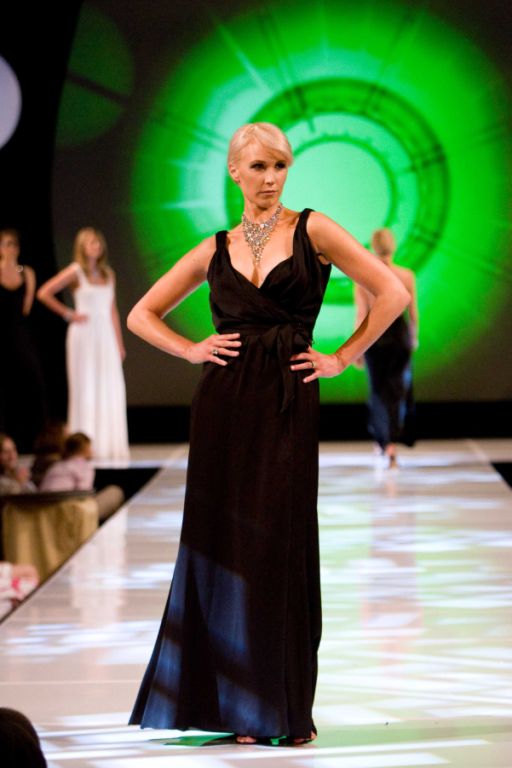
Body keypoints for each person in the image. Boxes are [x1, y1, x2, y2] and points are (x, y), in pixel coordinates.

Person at [127, 122, 409, 744]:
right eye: (258, 166)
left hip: (286, 400)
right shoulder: (215, 247)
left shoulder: (314, 229)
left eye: (280, 165)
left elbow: (389, 291)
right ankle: (234, 707)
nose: (271, 178)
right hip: (222, 405)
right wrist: (191, 349)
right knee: (223, 546)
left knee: (277, 545)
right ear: (235, 171)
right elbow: (140, 314)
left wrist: (343, 357)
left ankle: (277, 705)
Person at [37, 228, 129, 460]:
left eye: (98, 242)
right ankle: (83, 447)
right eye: (90, 243)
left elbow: (113, 311)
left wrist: (119, 343)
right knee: (86, 387)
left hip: (105, 335)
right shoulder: (76, 271)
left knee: (110, 387)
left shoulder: (108, 273)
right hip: (84, 335)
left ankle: (107, 445)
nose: (96, 246)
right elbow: (44, 293)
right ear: (82, 247)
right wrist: (69, 314)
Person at [354, 228, 418, 468]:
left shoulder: (363, 278)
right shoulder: (406, 275)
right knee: (397, 389)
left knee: (378, 390)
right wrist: (413, 337)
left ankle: (383, 443)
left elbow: (361, 315)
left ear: (373, 246)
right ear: (393, 246)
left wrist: (356, 349)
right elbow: (413, 313)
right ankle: (389, 444)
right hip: (399, 335)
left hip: (375, 335)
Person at [0, 229, 46, 451]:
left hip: (20, 333)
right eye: (5, 243)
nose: (10, 248)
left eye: (13, 244)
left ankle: (37, 439)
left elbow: (27, 306)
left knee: (33, 383)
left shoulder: (27, 273)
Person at [39, 431, 124, 522]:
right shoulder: (84, 466)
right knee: (115, 491)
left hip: (46, 513)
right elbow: (83, 493)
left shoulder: (56, 466)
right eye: (90, 447)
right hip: (72, 513)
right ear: (85, 448)